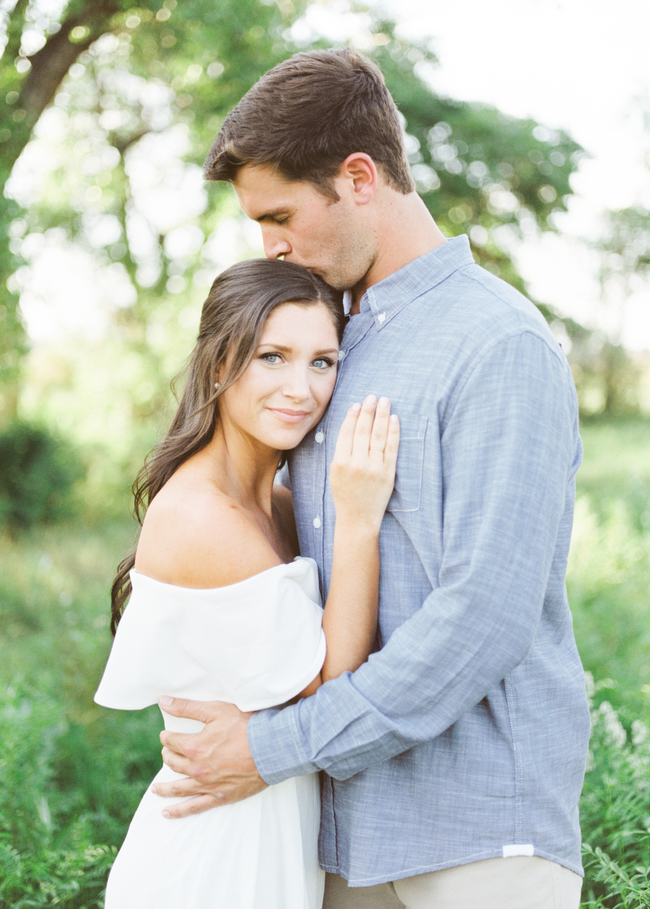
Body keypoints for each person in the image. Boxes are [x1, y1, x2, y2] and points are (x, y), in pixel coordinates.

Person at [152, 48, 591, 909]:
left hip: (478, 841)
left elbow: (480, 622)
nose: (272, 245)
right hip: (343, 839)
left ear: (359, 177)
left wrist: (274, 745)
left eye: (279, 215)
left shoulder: (498, 343)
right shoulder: (326, 343)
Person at [94, 256, 400, 909]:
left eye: (323, 361)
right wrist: (360, 521)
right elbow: (329, 686)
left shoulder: (281, 504)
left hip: (272, 839)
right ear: (217, 363)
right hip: (213, 860)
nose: (302, 387)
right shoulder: (204, 516)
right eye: (273, 356)